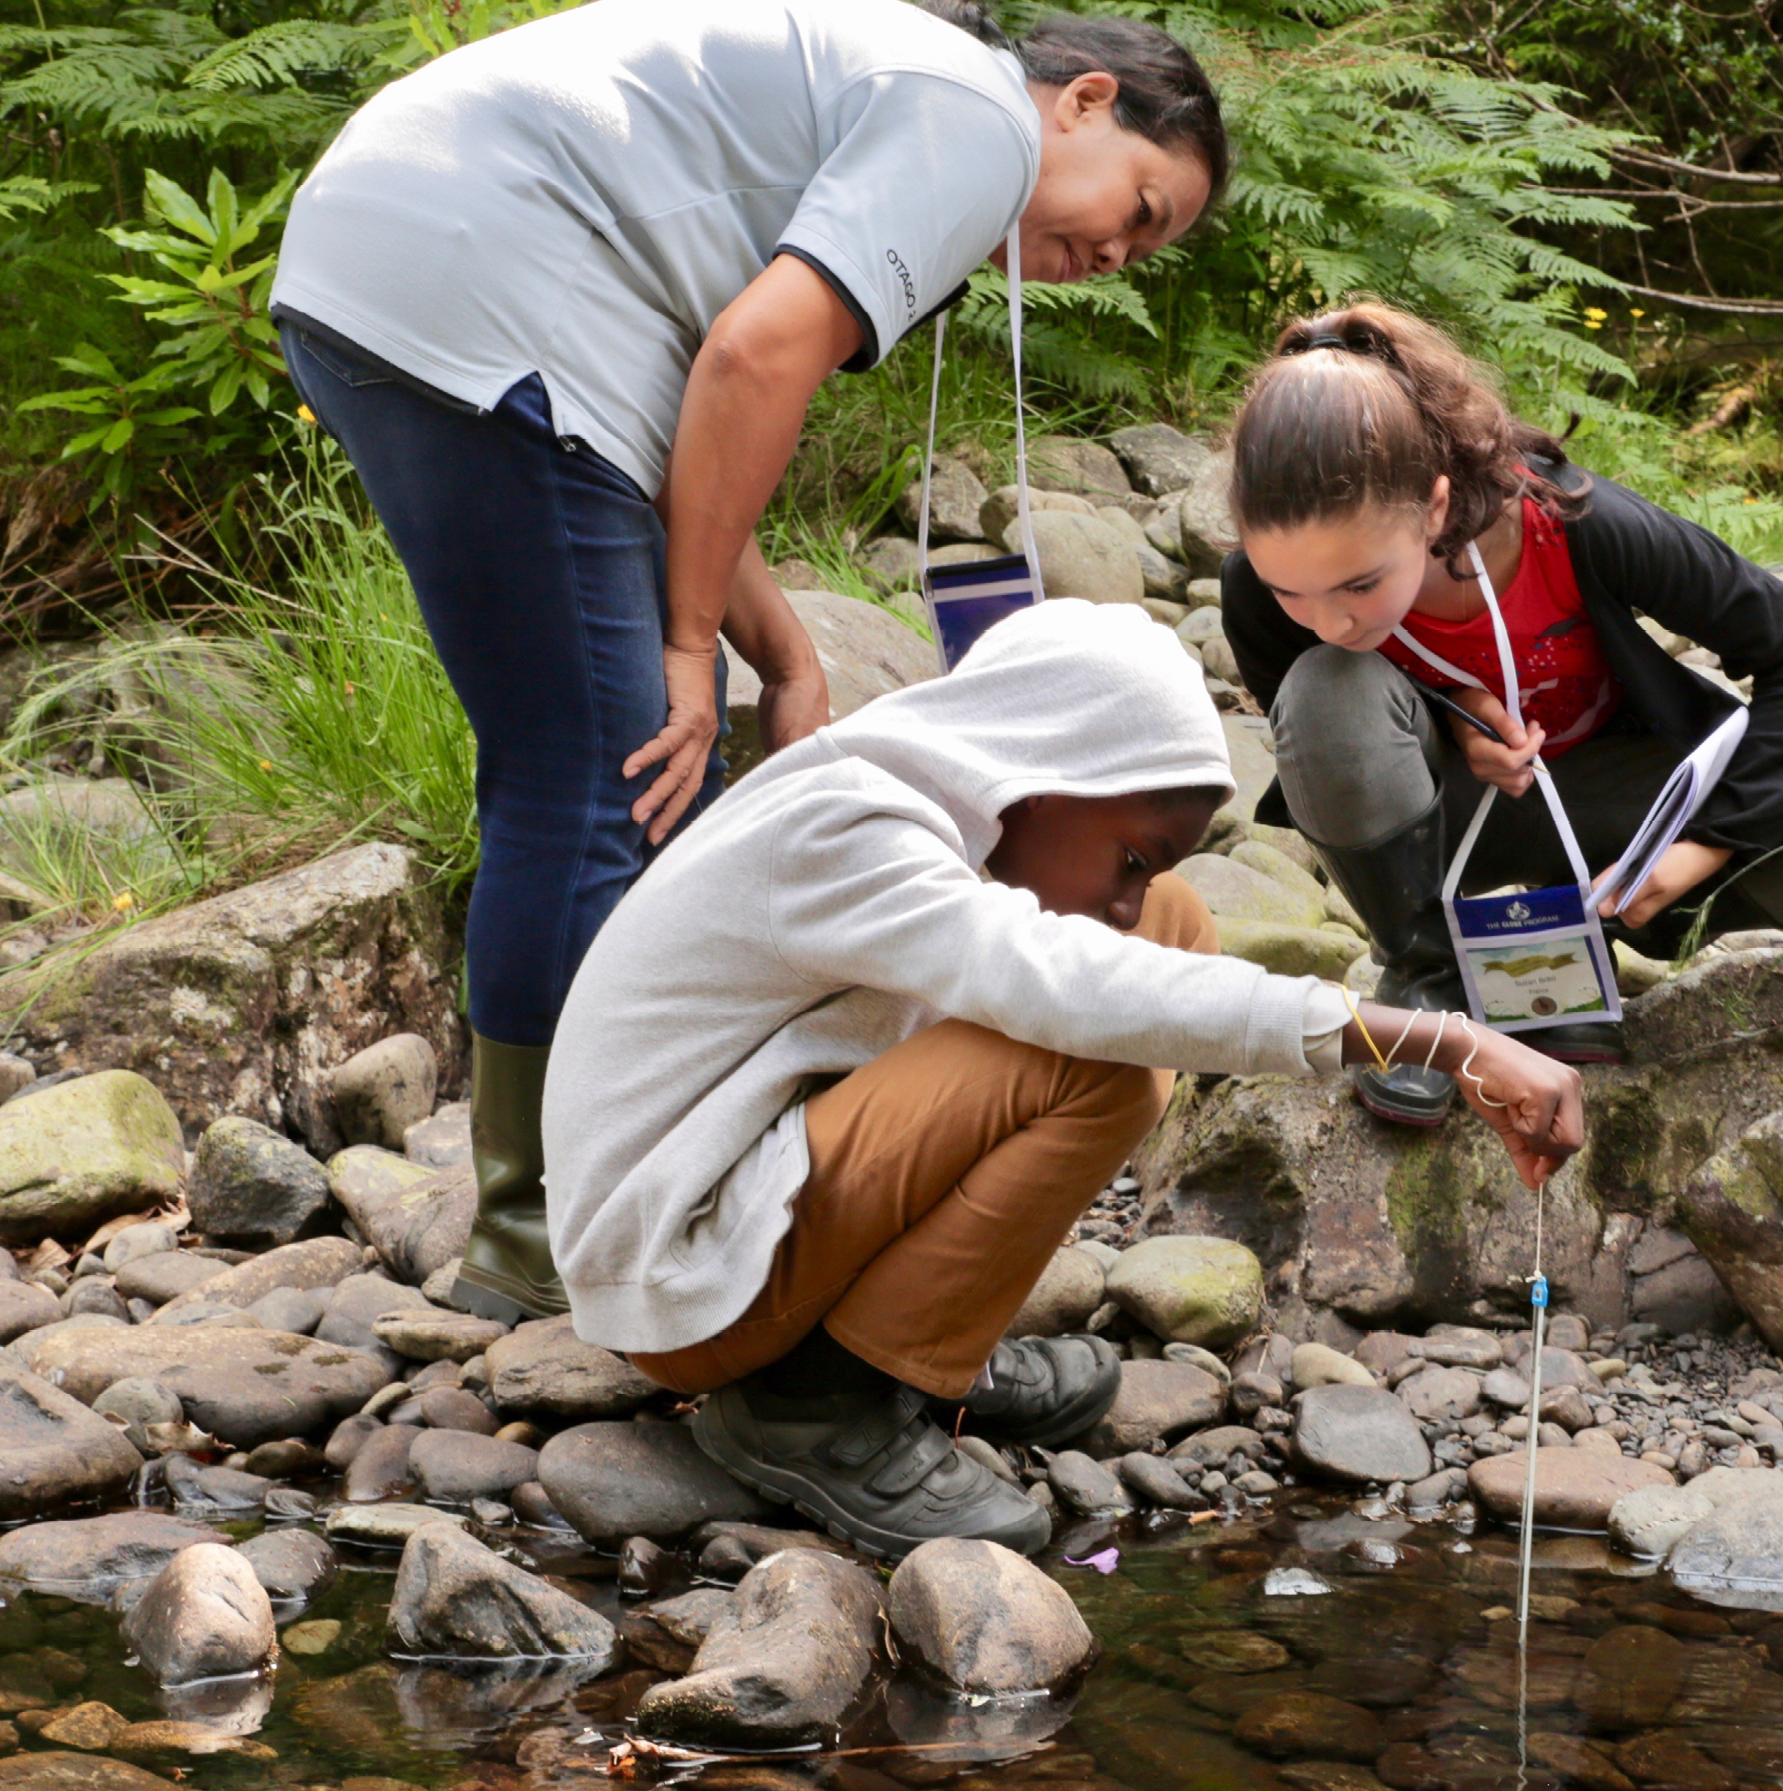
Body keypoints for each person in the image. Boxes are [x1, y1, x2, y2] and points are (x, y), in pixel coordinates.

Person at [271, 0, 1229, 1323]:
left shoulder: (875, 97)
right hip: (477, 272)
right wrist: (680, 643)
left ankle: (594, 1179)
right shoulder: (973, 116)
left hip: (398, 259)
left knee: (588, 767)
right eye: (1140, 205)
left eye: (1143, 245)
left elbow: (671, 426)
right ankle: (544, 1226)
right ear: (1082, 101)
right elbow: (751, 355)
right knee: (604, 777)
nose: (1117, 251)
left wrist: (779, 654)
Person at [542, 599, 1585, 1558]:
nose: (1131, 898)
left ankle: (918, 1344)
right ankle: (817, 1403)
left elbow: (1121, 958)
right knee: (1092, 1055)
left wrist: (1144, 898)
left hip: (746, 1178)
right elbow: (1070, 992)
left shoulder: (931, 800)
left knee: (1173, 939)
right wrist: (1447, 1040)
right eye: (1133, 856)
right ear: (1043, 772)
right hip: (677, 1270)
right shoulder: (853, 830)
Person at [1218, 303, 1783, 1129]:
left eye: (1358, 584)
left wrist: (1704, 847)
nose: (1331, 620)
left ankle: (1569, 946)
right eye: (1290, 592)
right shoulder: (1257, 592)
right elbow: (1321, 747)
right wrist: (1451, 712)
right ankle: (1429, 975)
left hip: (1612, 816)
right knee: (1324, 687)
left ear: (1431, 505)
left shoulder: (1574, 524)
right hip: (1438, 818)